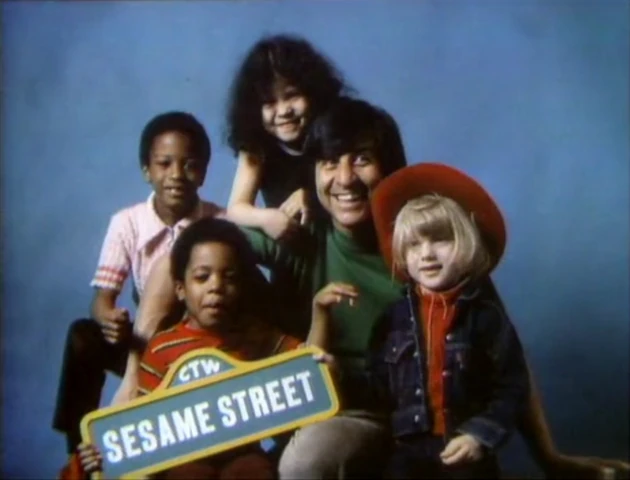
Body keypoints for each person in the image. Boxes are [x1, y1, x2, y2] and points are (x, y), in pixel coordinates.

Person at [132, 97, 630, 479]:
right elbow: (194, 249)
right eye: (330, 162)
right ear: (313, 171)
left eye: (362, 159)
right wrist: (140, 349)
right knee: (302, 464)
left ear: (389, 165)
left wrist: (550, 458)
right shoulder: (299, 237)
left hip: (439, 421)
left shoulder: (431, 243)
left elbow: (507, 356)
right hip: (350, 413)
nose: (345, 178)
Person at [315, 162, 531, 478]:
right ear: (401, 254)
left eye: (440, 240)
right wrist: (338, 375)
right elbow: (378, 389)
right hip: (407, 451)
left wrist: (479, 435)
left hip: (465, 451)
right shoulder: (393, 319)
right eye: (414, 244)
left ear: (466, 242)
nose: (426, 253)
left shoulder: (485, 317)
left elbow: (512, 388)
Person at [52, 111, 222, 477]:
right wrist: (108, 318)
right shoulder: (127, 222)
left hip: (199, 345)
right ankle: (81, 451)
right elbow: (102, 298)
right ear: (147, 170)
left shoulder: (218, 222)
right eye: (164, 164)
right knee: (83, 336)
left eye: (189, 165)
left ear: (204, 172)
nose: (176, 175)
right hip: (145, 342)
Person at [74, 217, 303, 479]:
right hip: (182, 458)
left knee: (254, 470)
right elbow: (139, 420)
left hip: (242, 453)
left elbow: (304, 358)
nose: (216, 287)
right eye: (202, 277)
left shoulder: (255, 334)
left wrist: (320, 347)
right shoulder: (162, 348)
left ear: (241, 287)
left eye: (229, 278)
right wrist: (100, 451)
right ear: (180, 289)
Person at [225, 33, 350, 241]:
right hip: (294, 248)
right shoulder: (257, 147)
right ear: (253, 108)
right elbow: (236, 209)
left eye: (292, 95)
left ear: (313, 92)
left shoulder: (335, 130)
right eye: (269, 102)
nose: (283, 111)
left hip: (341, 242)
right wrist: (268, 219)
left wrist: (311, 197)